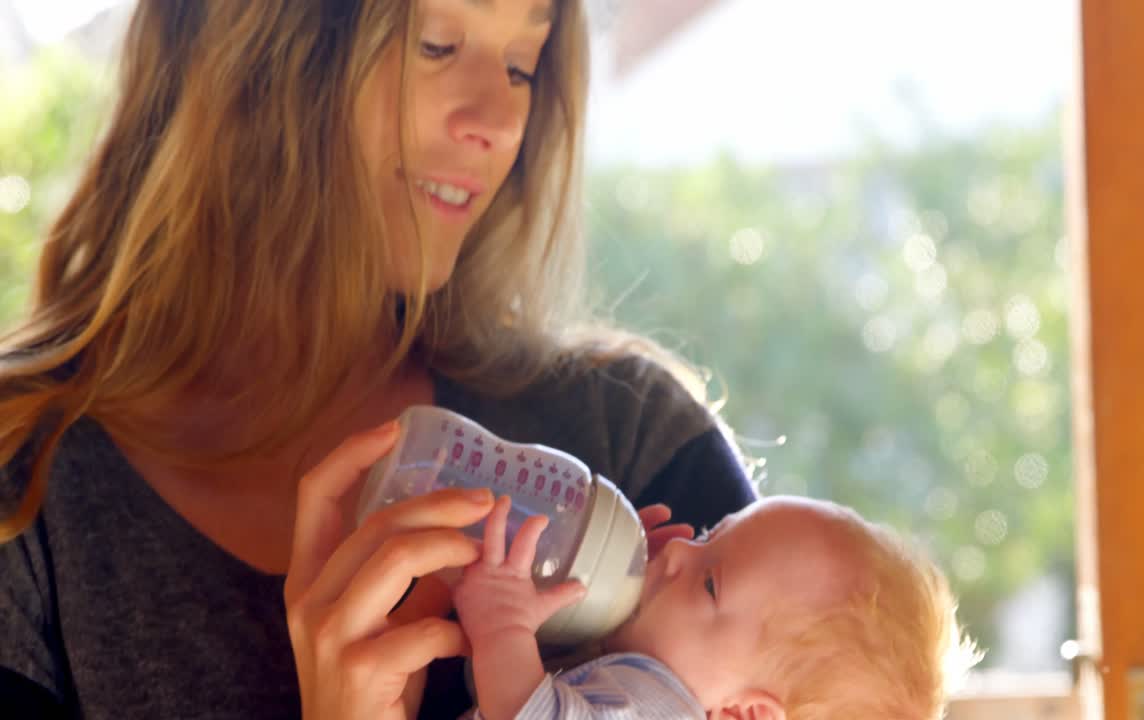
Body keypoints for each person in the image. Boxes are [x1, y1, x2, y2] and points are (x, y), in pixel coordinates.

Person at [0, 1, 757, 718]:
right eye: (437, 44)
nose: (498, 122)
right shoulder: (27, 501)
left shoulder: (633, 439)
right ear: (254, 51)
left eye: (522, 66)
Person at [454, 494, 982, 720]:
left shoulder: (664, 709)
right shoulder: (649, 693)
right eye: (710, 535)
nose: (680, 549)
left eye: (709, 584)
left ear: (744, 713)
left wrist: (504, 626)